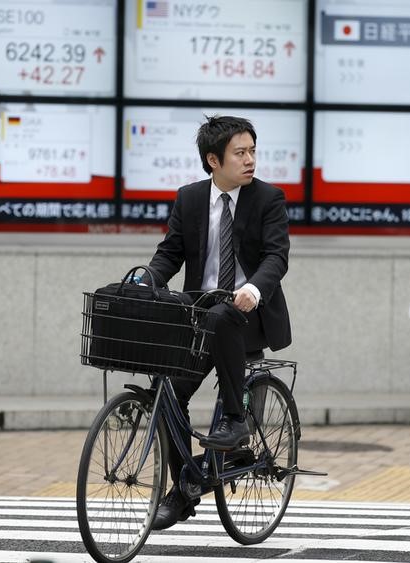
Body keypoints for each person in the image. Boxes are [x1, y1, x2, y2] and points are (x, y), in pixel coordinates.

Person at [145, 115, 291, 529]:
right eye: (240, 153)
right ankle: (187, 486)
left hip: (248, 315)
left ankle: (235, 419)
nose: (250, 160)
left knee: (226, 312)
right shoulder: (190, 199)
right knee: (168, 392)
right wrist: (146, 278)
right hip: (200, 316)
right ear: (213, 160)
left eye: (252, 151)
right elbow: (170, 253)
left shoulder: (268, 198)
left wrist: (255, 289)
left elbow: (276, 257)